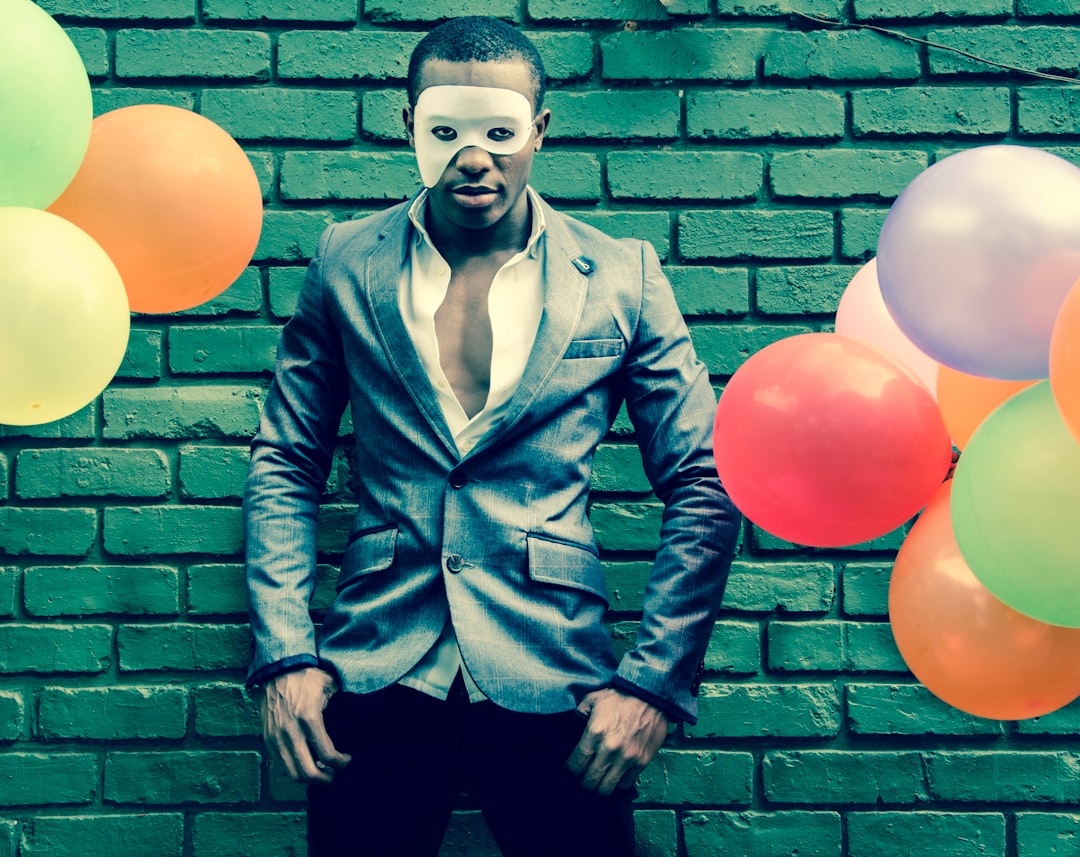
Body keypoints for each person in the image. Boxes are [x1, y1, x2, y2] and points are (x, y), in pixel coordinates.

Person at [244, 15, 741, 857]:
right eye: (447, 130)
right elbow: (286, 459)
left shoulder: (622, 275)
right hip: (374, 670)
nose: (474, 157)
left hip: (558, 679)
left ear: (539, 131)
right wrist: (285, 654)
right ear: (408, 127)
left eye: (499, 131)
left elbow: (706, 477)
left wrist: (654, 685)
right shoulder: (342, 262)